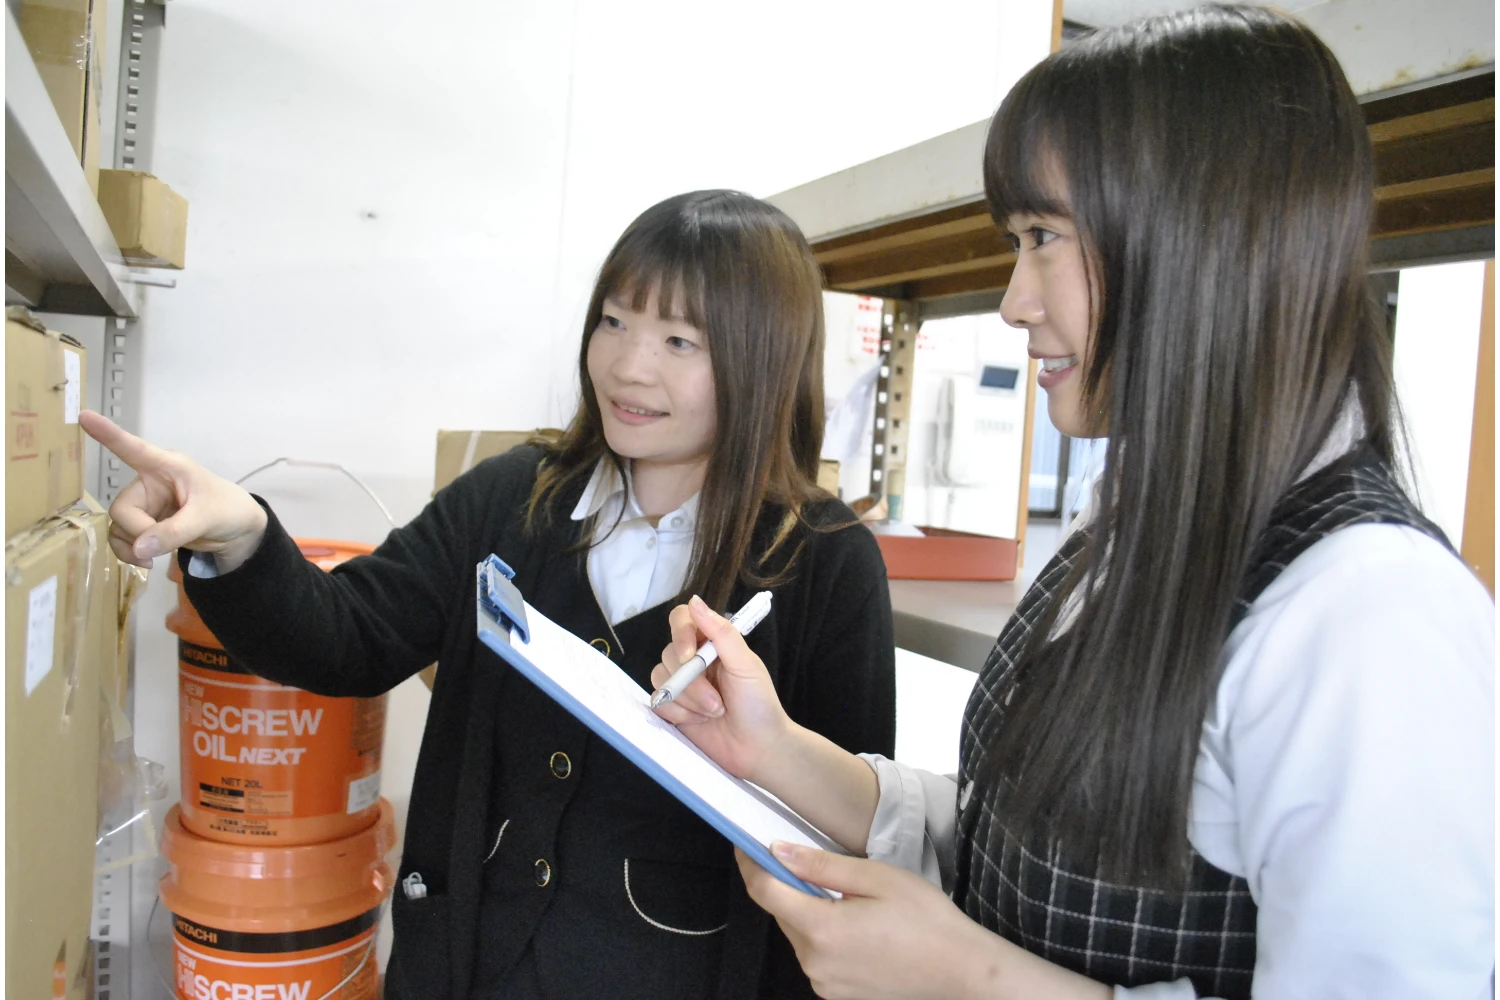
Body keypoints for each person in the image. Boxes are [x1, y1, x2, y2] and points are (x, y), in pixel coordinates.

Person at [648, 8, 1496, 999]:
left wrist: (963, 976)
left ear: (1200, 240)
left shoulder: (1370, 613)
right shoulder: (1132, 524)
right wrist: (776, 752)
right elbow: (1025, 842)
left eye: (1043, 237)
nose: (1014, 299)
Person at [83, 190, 897, 1000]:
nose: (627, 366)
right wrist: (239, 538)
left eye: (679, 340)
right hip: (463, 970)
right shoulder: (512, 498)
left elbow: (845, 842)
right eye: (614, 321)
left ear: (764, 358)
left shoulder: (824, 563)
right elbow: (347, 636)